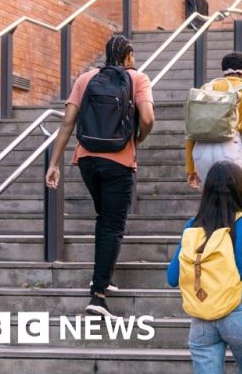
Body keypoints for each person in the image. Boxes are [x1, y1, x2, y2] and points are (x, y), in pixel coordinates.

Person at [45, 35, 155, 317]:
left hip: (87, 159)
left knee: (104, 218)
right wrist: (137, 141)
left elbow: (68, 121)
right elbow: (148, 119)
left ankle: (101, 274)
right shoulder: (137, 79)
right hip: (118, 161)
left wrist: (54, 163)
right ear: (128, 55)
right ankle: (98, 296)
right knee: (112, 224)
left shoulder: (85, 79)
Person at [167, 161, 242, 374]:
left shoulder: (192, 226)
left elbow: (173, 278)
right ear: (240, 189)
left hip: (202, 315)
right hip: (240, 312)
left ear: (207, 190)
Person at [185, 52, 242, 199]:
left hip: (201, 151)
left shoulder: (205, 89)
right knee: (231, 203)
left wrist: (190, 168)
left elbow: (191, 129)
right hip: (229, 149)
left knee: (209, 203)